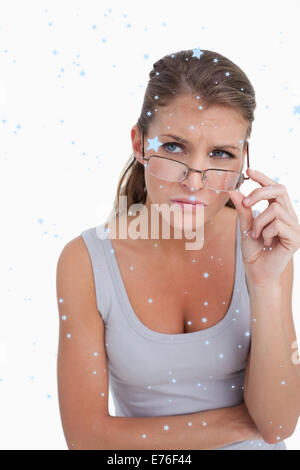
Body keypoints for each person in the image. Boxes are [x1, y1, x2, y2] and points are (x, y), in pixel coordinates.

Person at [56, 48, 300, 450]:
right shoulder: (86, 262)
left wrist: (265, 285)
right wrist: (242, 422)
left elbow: (276, 424)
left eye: (220, 154)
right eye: (173, 148)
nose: (194, 181)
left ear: (243, 162)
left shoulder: (262, 244)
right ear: (139, 144)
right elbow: (87, 440)